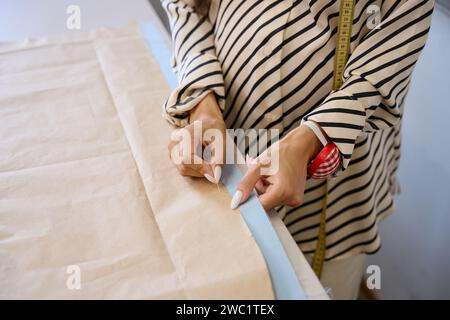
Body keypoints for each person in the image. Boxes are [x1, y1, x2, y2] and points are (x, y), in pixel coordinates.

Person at [161, 0, 434, 299]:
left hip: (335, 189)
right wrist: (203, 104)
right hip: (229, 141)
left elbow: (381, 71)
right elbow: (184, 6)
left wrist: (309, 139)